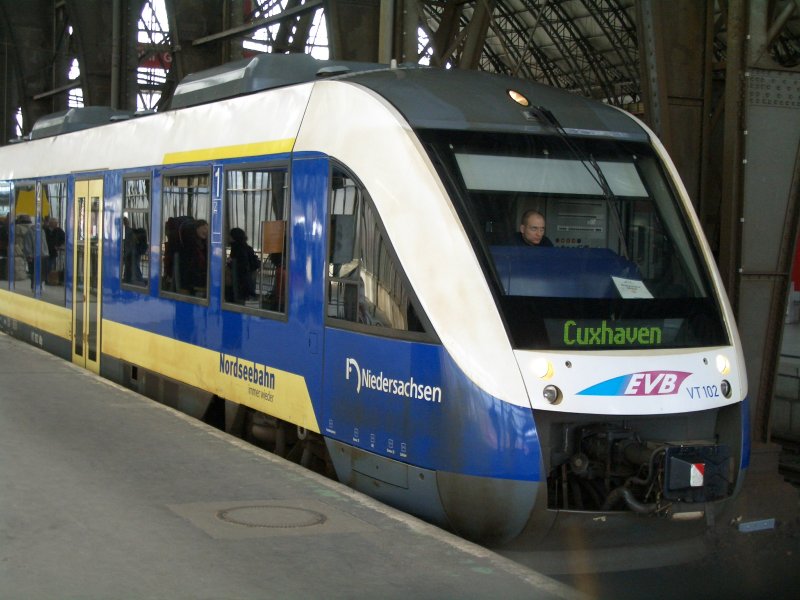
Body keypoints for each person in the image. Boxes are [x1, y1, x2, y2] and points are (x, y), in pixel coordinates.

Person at [227, 227, 259, 303]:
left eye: (230, 235)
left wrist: (230, 263)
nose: (228, 237)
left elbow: (240, 266)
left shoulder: (237, 248)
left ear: (234, 237)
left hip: (240, 281)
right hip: (249, 279)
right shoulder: (247, 247)